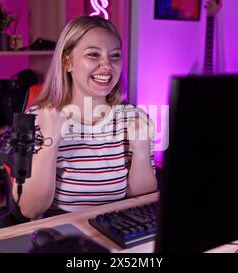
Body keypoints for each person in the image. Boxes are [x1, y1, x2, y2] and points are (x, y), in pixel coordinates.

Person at [13, 15, 158, 219]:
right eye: (93, 55)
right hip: (63, 238)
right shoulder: (35, 119)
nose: (107, 65)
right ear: (67, 62)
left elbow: (141, 200)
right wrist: (50, 143)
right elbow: (30, 209)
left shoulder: (133, 117)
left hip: (115, 233)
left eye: (115, 55)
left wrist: (141, 151)